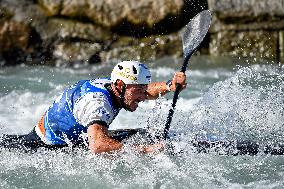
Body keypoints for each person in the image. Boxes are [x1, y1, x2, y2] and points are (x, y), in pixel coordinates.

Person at [0, 61, 187, 153]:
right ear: (120, 86)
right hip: (50, 146)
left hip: (79, 135)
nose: (143, 95)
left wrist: (170, 85)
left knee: (143, 135)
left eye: (142, 89)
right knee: (141, 142)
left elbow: (147, 90)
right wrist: (147, 150)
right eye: (138, 90)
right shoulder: (97, 104)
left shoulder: (114, 86)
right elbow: (97, 146)